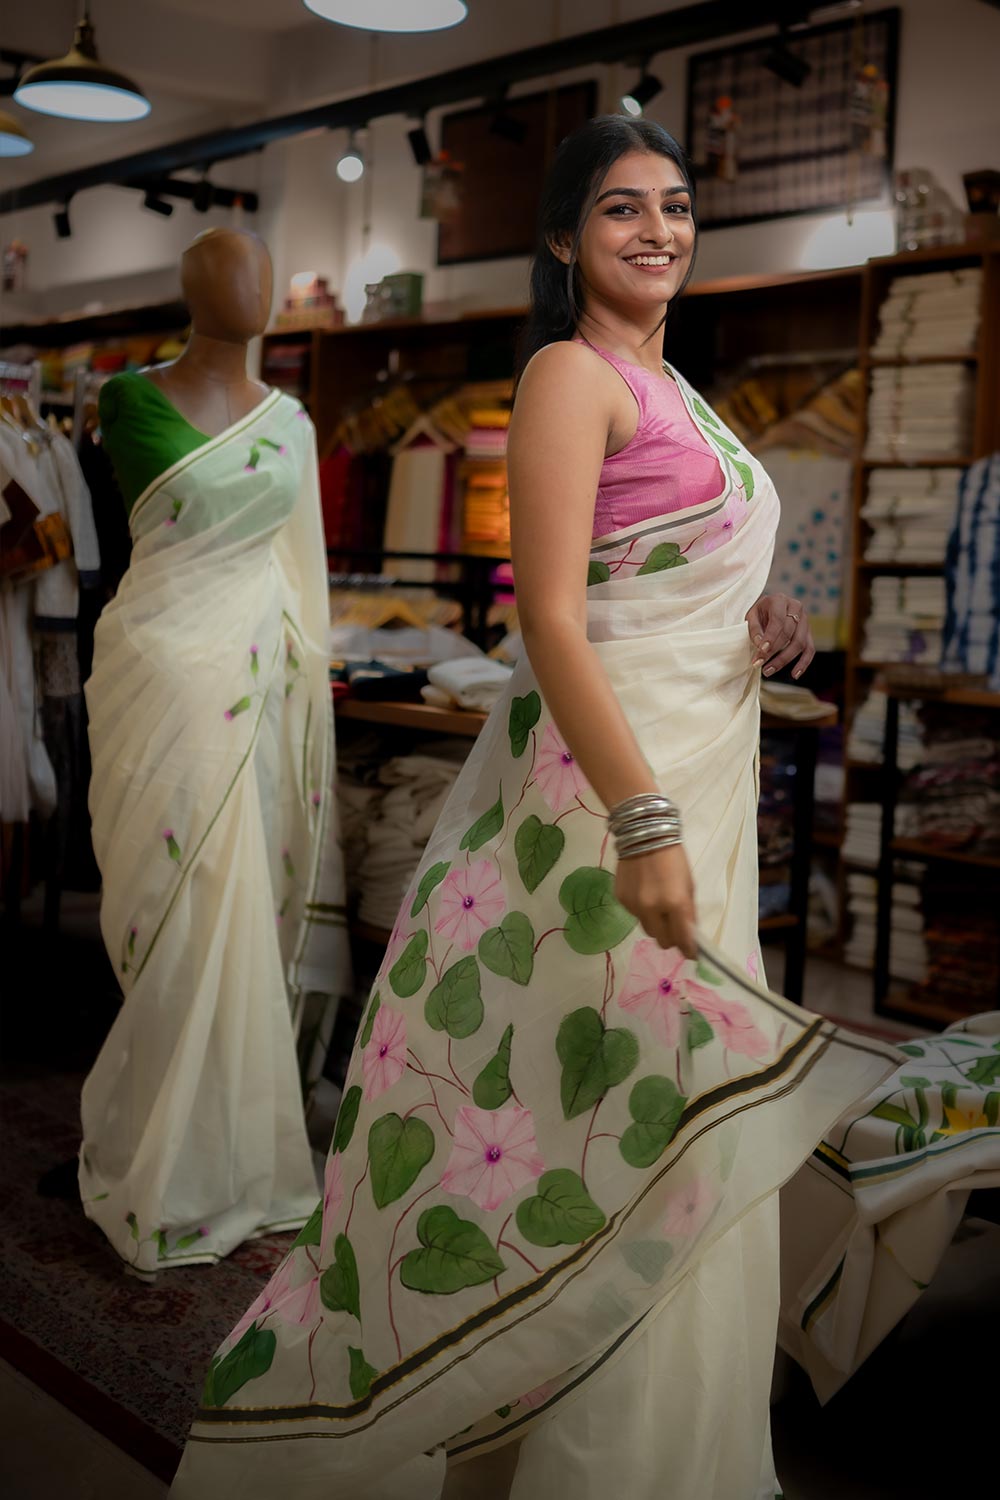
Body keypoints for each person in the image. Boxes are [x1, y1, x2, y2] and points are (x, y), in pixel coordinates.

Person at [170, 121, 896, 1500]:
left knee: (655, 1116)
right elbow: (553, 619)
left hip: (693, 780)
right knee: (593, 1115)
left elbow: (653, 570)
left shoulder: (678, 389)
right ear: (563, 237)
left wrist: (764, 608)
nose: (658, 230)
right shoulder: (572, 374)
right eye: (622, 208)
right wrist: (642, 825)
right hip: (614, 807)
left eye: (676, 206)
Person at [79, 228, 349, 1275]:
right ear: (193, 288)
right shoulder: (126, 399)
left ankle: (236, 1162)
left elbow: (302, 564)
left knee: (235, 912)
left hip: (255, 679)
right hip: (163, 672)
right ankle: (164, 1155)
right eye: (230, 271)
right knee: (172, 916)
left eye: (261, 272)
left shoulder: (293, 423)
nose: (252, 289)